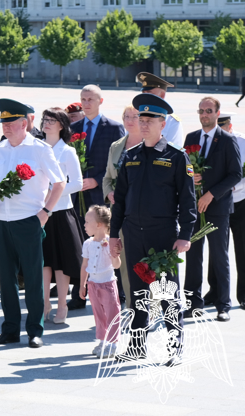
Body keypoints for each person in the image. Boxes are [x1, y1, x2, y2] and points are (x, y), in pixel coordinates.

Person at [110, 93, 195, 366]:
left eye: (149, 120)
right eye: (140, 119)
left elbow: (188, 201)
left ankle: (174, 348)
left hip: (163, 234)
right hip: (133, 233)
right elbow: (119, 200)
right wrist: (113, 235)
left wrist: (185, 236)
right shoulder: (130, 156)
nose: (143, 124)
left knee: (167, 292)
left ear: (163, 123)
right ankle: (137, 346)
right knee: (137, 293)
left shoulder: (176, 157)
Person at [0, 98, 67, 348]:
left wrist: (45, 212)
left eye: (10, 123)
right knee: (6, 278)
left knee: (32, 278)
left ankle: (34, 330)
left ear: (24, 123)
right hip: (0, 221)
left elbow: (59, 183)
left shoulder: (40, 149)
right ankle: (9, 329)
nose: (5, 127)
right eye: (3, 123)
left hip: (28, 220)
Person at [183, 97, 241, 322]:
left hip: (217, 208)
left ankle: (223, 305)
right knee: (193, 256)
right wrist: (191, 176)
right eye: (201, 111)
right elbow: (183, 167)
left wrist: (210, 193)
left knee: (219, 256)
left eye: (208, 110)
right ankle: (192, 304)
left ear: (217, 113)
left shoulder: (227, 140)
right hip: (194, 208)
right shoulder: (190, 138)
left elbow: (235, 174)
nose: (204, 114)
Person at [69, 85, 124, 310]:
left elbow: (119, 165)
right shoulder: (73, 128)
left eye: (91, 99)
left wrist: (97, 180)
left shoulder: (113, 128)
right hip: (78, 198)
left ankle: (116, 292)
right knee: (81, 244)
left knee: (105, 243)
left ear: (101, 101)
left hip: (101, 198)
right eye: (83, 99)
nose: (86, 103)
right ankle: (79, 292)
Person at [40, 107, 85, 324]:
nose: (47, 123)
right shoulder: (36, 148)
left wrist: (54, 190)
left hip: (60, 212)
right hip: (39, 212)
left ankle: (61, 305)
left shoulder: (67, 151)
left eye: (52, 120)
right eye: (45, 119)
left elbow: (77, 183)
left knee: (60, 263)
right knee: (43, 262)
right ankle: (45, 303)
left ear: (61, 125)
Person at [101, 105, 142, 308]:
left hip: (143, 212)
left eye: (134, 116)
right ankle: (133, 306)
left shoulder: (149, 144)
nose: (129, 120)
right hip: (120, 213)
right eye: (126, 116)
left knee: (145, 261)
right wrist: (108, 193)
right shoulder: (116, 146)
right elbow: (107, 178)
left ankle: (150, 306)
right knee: (124, 260)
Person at [79, 205, 121, 358]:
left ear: (98, 225)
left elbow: (117, 265)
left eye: (87, 222)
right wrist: (83, 284)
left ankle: (113, 343)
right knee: (99, 315)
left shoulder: (111, 242)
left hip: (108, 284)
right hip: (93, 284)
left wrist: (113, 254)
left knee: (112, 313)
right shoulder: (88, 243)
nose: (84, 225)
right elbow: (85, 265)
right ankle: (103, 340)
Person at [218, 114, 245, 309]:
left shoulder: (242, 142)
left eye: (224, 127)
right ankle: (216, 292)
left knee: (242, 249)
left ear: (230, 126)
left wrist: (236, 186)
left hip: (241, 201)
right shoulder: (212, 141)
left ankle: (243, 295)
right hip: (218, 202)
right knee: (218, 250)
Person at [138, 72, 183, 146]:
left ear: (162, 95)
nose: (145, 97)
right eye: (143, 93)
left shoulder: (172, 121)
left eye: (149, 93)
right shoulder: (137, 115)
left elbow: (174, 153)